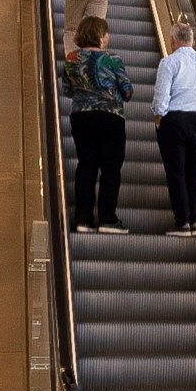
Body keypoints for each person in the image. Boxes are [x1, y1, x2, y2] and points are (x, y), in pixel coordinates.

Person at [151, 20, 196, 234]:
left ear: (173, 42)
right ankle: (195, 221)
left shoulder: (169, 62)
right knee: (193, 173)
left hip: (174, 121)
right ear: (192, 42)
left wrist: (159, 115)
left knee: (176, 172)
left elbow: (162, 94)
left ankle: (182, 222)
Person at [62, 15, 132, 234]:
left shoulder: (72, 57)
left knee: (86, 165)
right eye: (106, 33)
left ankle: (83, 219)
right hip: (110, 118)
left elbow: (67, 89)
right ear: (101, 36)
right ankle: (107, 219)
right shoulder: (113, 60)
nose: (108, 37)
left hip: (81, 117)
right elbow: (128, 92)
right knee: (110, 169)